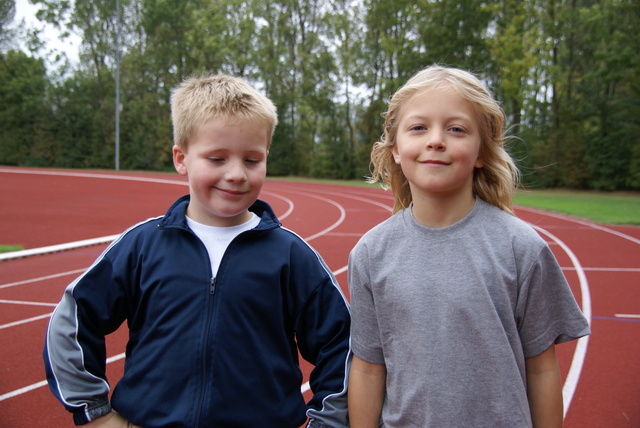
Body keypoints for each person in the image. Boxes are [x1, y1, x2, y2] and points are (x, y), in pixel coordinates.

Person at [43, 74, 351, 428]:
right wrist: (95, 413)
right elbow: (72, 320)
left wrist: (326, 423)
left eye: (252, 160)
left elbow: (340, 345)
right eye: (217, 158)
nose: (236, 174)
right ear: (181, 158)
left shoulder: (292, 256)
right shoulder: (143, 246)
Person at [347, 65, 590, 428]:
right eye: (418, 127)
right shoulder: (370, 254)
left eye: (456, 129)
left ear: (480, 151)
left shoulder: (522, 248)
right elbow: (368, 369)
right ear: (395, 149)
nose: (436, 140)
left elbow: (541, 370)